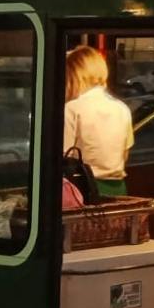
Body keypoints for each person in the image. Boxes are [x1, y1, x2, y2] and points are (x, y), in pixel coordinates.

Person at [63, 45, 134, 198]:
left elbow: (64, 157)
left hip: (82, 190)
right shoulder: (122, 109)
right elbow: (125, 154)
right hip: (119, 189)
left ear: (75, 75)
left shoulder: (72, 109)